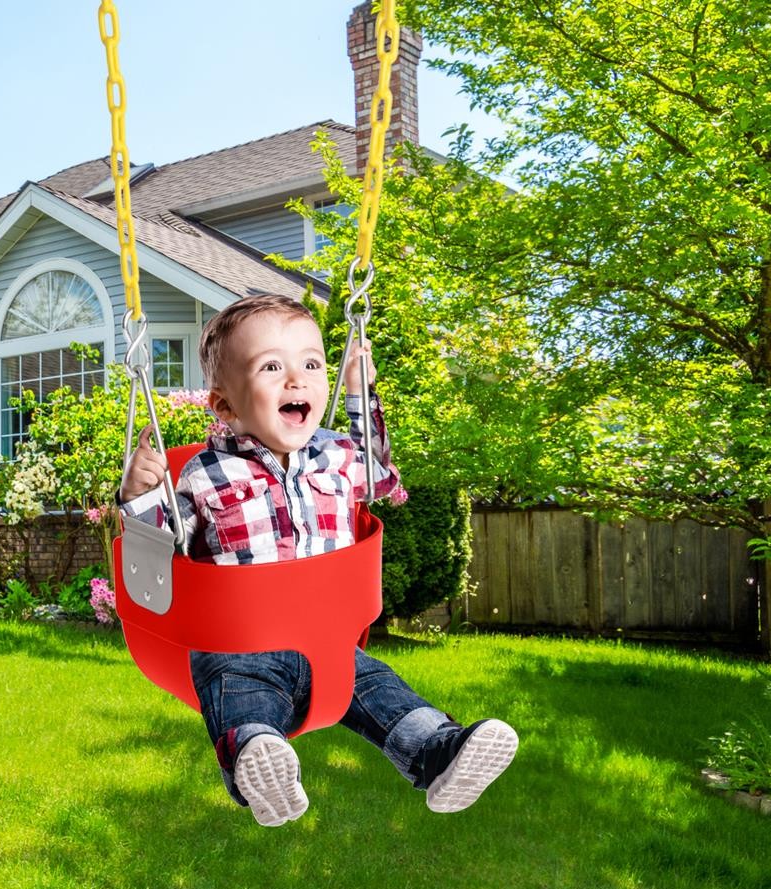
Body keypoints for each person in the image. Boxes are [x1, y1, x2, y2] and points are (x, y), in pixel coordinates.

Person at [117, 294, 517, 826]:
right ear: (225, 407)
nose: (296, 380)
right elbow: (162, 551)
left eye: (310, 363)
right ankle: (261, 763)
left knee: (378, 688)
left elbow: (382, 481)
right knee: (241, 700)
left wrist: (360, 392)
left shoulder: (338, 455)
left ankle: (438, 753)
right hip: (237, 646)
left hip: (327, 644)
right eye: (271, 367)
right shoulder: (200, 475)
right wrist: (140, 496)